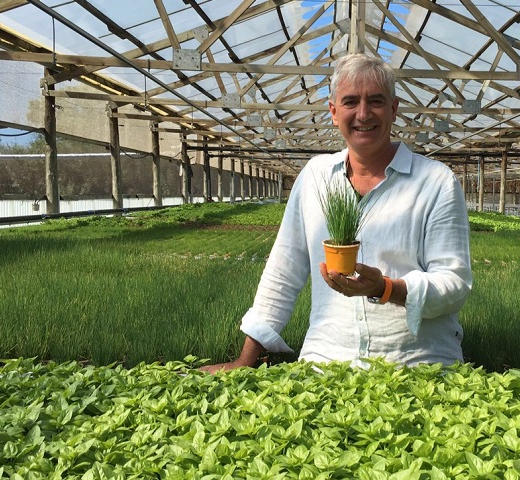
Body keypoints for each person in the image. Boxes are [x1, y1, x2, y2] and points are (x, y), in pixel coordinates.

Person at [199, 54, 472, 372]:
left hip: (417, 361)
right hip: (326, 361)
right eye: (351, 102)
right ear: (333, 112)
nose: (363, 113)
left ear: (394, 109)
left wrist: (384, 289)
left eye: (376, 101)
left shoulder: (436, 181)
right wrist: (244, 361)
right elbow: (283, 271)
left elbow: (454, 285)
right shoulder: (315, 177)